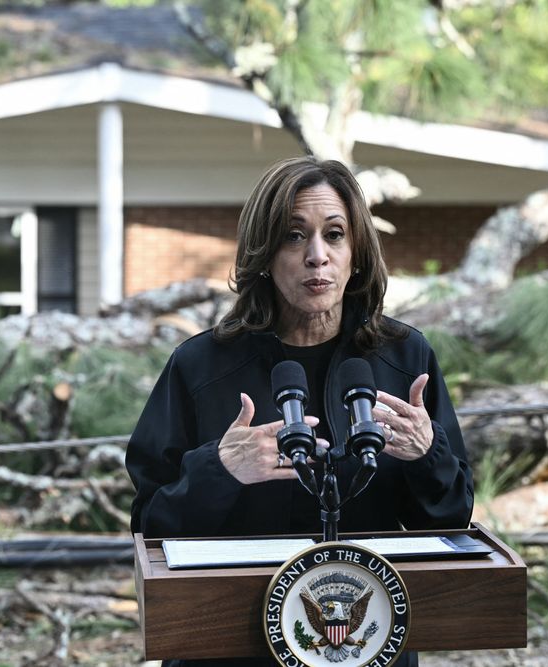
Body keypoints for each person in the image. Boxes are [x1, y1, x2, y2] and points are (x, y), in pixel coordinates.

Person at [126, 157, 474, 666]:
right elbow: (148, 527)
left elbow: (451, 517)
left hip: (365, 643)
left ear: (356, 252)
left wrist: (427, 453)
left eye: (334, 235)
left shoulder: (405, 358)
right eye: (293, 237)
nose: (317, 256)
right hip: (227, 645)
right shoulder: (200, 366)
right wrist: (220, 471)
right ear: (264, 253)